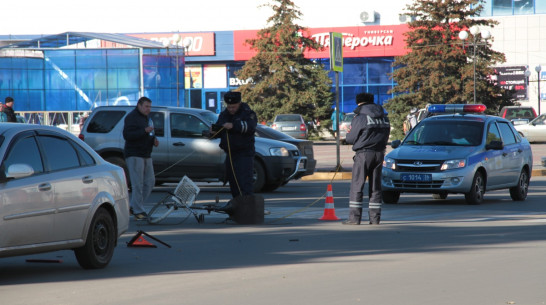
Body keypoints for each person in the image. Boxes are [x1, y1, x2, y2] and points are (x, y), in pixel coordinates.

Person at [343, 92, 390, 225]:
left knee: (357, 186)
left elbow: (351, 138)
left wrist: (349, 135)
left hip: (363, 154)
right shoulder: (384, 116)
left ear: (359, 102)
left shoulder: (360, 117)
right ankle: (375, 219)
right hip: (379, 153)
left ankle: (354, 219)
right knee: (375, 187)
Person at [212, 91, 257, 198]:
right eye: (229, 107)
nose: (231, 109)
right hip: (230, 154)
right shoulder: (224, 115)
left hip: (244, 154)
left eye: (234, 107)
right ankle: (237, 209)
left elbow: (250, 127)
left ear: (239, 103)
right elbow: (219, 129)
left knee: (244, 183)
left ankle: (247, 209)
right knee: (233, 182)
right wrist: (212, 132)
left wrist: (233, 125)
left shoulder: (248, 113)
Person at [123, 96, 159, 220]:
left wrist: (154, 140)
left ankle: (134, 206)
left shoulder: (147, 118)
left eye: (149, 107)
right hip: (134, 154)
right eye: (146, 106)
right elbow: (127, 135)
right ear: (139, 105)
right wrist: (144, 131)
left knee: (150, 182)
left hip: (146, 154)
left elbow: (150, 133)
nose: (148, 109)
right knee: (137, 184)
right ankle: (138, 211)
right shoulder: (131, 117)